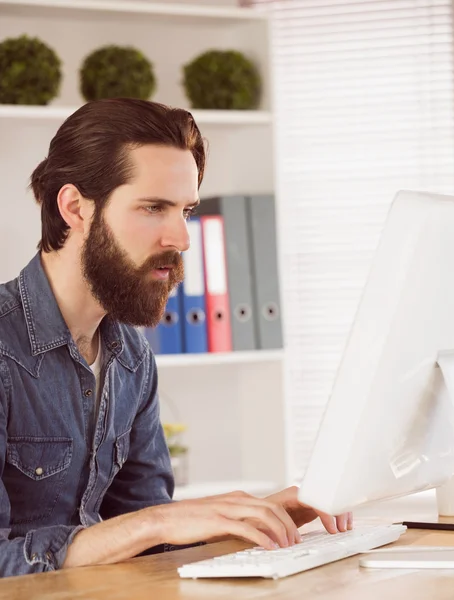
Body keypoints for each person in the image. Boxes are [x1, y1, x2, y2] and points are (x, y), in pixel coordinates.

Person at [0, 98, 352, 577]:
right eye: (152, 208)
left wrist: (244, 519)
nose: (181, 238)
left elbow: (148, 540)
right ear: (74, 209)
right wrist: (158, 522)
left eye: (185, 210)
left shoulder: (130, 357)